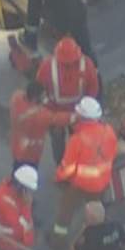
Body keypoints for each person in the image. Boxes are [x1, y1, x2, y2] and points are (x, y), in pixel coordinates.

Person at [50, 97, 117, 250]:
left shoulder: (77, 139)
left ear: (82, 117)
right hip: (101, 184)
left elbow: (67, 168)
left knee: (65, 212)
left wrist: (58, 177)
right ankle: (94, 241)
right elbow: (113, 154)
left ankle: (57, 242)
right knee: (95, 215)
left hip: (80, 185)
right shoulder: (109, 132)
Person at [36, 36, 101, 164]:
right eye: (65, 63)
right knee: (58, 140)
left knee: (77, 140)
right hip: (56, 112)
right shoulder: (48, 66)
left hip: (78, 112)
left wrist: (86, 109)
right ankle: (62, 165)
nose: (69, 65)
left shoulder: (86, 65)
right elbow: (39, 89)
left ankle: (74, 163)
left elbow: (93, 88)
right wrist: (47, 108)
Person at [10, 80, 73, 170]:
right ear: (35, 99)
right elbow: (58, 118)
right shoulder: (41, 115)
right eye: (43, 96)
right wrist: (76, 116)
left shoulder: (16, 98)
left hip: (17, 147)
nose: (45, 98)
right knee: (29, 176)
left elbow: (21, 94)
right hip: (31, 154)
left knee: (17, 170)